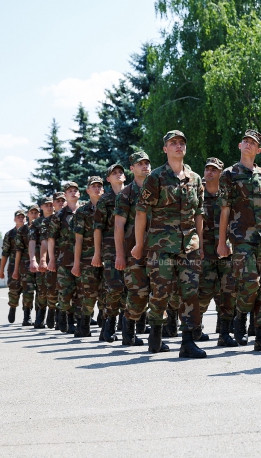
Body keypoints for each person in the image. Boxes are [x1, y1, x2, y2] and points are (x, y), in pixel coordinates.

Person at [132, 130, 206, 358]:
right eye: (172, 143)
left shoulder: (195, 179)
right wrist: (138, 244)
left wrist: (200, 244)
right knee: (161, 292)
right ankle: (155, 333)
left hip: (189, 246)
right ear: (165, 149)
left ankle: (187, 342)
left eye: (181, 143)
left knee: (191, 293)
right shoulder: (156, 177)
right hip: (161, 246)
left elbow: (199, 214)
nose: (178, 146)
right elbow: (142, 213)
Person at [217, 129, 261, 352]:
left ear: (259, 149)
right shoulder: (229, 174)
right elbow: (225, 209)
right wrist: (222, 241)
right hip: (241, 237)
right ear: (239, 146)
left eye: (253, 142)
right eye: (245, 141)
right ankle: (241, 316)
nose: (248, 144)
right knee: (249, 282)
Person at [197, 157, 237, 347]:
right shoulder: (198, 193)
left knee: (228, 292)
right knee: (203, 292)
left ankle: (225, 333)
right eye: (207, 169)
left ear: (221, 173)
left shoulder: (227, 194)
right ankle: (195, 328)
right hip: (204, 252)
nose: (209, 172)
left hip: (225, 251)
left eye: (214, 169)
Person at [114, 151, 152, 347]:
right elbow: (119, 226)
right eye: (140, 164)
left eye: (147, 163)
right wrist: (120, 255)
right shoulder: (126, 194)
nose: (145, 166)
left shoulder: (158, 189)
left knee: (162, 292)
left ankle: (158, 334)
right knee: (138, 293)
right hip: (133, 253)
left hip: (158, 250)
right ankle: (128, 329)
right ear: (132, 169)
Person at [93, 163, 127, 342]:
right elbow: (98, 229)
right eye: (114, 173)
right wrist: (97, 253)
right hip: (110, 249)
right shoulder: (104, 200)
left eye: (121, 172)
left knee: (130, 289)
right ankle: (108, 325)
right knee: (114, 287)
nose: (118, 175)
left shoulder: (131, 195)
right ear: (108, 179)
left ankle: (129, 330)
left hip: (130, 248)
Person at [71, 176, 105, 337]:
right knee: (89, 293)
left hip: (108, 256)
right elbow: (78, 239)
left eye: (99, 186)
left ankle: (106, 325)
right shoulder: (82, 212)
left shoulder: (110, 206)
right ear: (88, 190)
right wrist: (76, 263)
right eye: (94, 186)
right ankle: (84, 323)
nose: (97, 189)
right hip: (87, 258)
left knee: (107, 292)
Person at [47, 182, 81, 334]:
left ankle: (77, 319)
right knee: (66, 291)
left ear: (79, 193)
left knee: (81, 292)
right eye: (69, 191)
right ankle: (63, 316)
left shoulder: (84, 211)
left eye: (75, 191)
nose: (73, 193)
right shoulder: (59, 216)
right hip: (65, 259)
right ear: (65, 195)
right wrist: (51, 260)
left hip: (83, 258)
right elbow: (51, 239)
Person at [38, 192, 67, 329]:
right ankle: (51, 311)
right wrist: (43, 260)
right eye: (58, 201)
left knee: (67, 289)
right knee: (52, 289)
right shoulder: (47, 221)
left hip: (69, 258)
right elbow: (44, 242)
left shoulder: (73, 215)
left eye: (63, 200)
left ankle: (65, 318)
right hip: (53, 259)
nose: (61, 203)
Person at [29, 196, 55, 328]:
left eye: (51, 204)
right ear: (41, 207)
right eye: (46, 205)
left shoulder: (58, 218)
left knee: (56, 288)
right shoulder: (37, 223)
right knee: (42, 289)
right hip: (42, 260)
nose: (49, 207)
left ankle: (53, 313)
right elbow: (32, 242)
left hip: (58, 258)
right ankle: (40, 315)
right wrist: (33, 259)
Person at [13, 205, 40, 327]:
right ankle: (27, 316)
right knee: (28, 292)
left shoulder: (42, 227)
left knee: (41, 291)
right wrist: (15, 270)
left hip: (41, 264)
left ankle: (40, 317)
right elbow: (18, 251)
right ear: (27, 214)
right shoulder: (22, 230)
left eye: (36, 213)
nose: (34, 215)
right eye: (32, 212)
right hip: (25, 265)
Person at [0, 209, 25, 322]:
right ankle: (13, 307)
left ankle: (27, 315)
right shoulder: (10, 234)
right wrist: (1, 270)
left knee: (28, 291)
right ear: (14, 219)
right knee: (14, 290)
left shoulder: (30, 231)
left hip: (27, 266)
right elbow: (5, 253)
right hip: (13, 266)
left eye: (23, 216)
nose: (21, 218)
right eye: (18, 216)